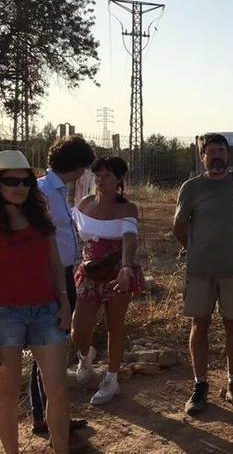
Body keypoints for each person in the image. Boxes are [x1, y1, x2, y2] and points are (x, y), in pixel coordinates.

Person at [173, 133, 233, 415]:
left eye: (221, 150)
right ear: (202, 157)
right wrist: (196, 250)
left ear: (228, 154)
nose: (217, 155)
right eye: (211, 151)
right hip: (200, 271)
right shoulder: (191, 188)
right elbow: (179, 227)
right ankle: (200, 386)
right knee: (200, 325)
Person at [0, 150, 72, 454]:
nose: (20, 186)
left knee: (57, 390)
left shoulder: (40, 217)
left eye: (26, 180)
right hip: (4, 315)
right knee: (6, 393)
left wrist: (65, 302)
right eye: (11, 181)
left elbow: (55, 264)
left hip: (46, 310)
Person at [34, 136, 94, 449]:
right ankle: (48, 418)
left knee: (50, 347)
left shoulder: (58, 191)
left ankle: (49, 415)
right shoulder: (44, 192)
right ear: (78, 166)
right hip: (50, 277)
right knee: (48, 346)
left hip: (66, 273)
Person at [70, 156, 145, 406]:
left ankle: (112, 378)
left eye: (107, 175)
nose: (101, 180)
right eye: (98, 175)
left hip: (116, 272)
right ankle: (85, 355)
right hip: (90, 271)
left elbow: (129, 237)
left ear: (120, 179)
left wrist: (126, 266)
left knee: (116, 325)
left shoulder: (128, 208)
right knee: (78, 328)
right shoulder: (84, 204)